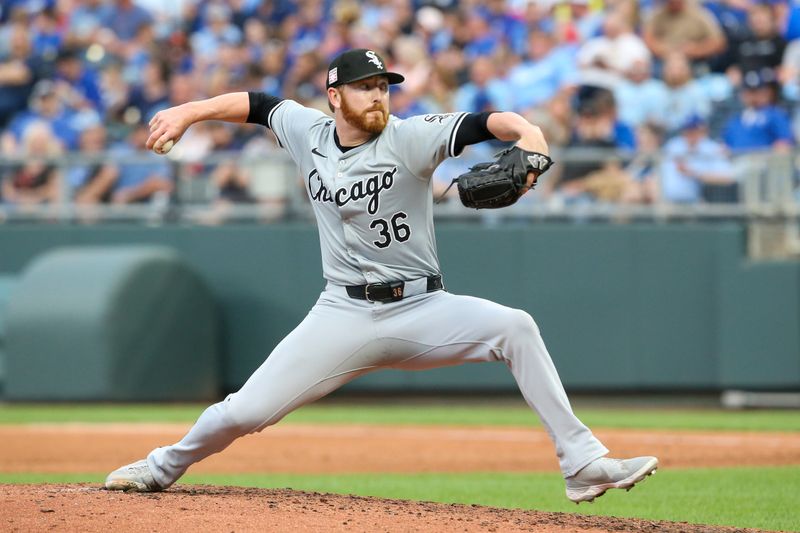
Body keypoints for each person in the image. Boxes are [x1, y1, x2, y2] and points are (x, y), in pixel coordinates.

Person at [104, 48, 658, 504]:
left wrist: (530, 134)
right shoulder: (308, 131)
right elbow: (255, 104)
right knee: (243, 412)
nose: (378, 95)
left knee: (516, 327)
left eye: (384, 86)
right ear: (335, 95)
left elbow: (486, 122)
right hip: (341, 313)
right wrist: (188, 112)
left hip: (421, 309)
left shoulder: (409, 136)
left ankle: (582, 463)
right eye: (365, 86)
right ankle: (160, 467)